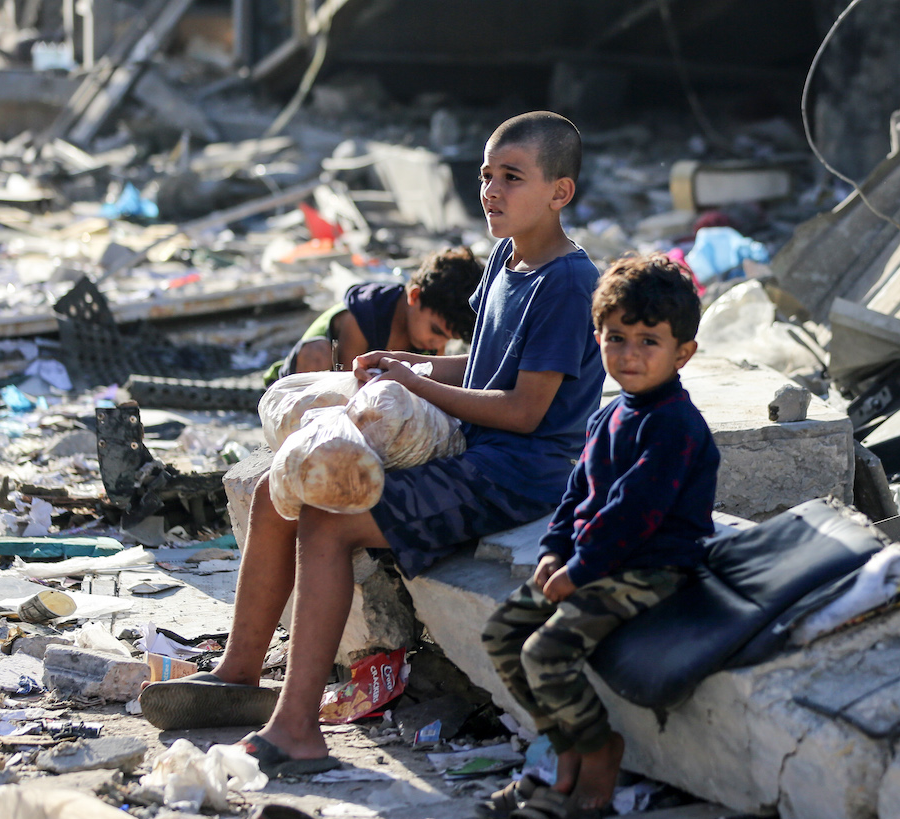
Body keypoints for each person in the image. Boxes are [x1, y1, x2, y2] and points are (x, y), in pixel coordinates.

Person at [139, 112, 605, 776]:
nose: (491, 192)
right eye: (485, 176)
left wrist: (418, 385)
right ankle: (238, 674)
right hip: (474, 446)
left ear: (560, 192)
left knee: (329, 522)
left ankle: (297, 730)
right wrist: (406, 363)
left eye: (512, 177)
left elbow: (525, 411)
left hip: (517, 473)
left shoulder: (566, 282)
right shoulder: (507, 258)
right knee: (279, 487)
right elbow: (483, 369)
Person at [478, 253, 719, 819]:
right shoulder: (607, 415)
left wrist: (580, 570)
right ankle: (560, 746)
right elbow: (577, 495)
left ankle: (598, 753)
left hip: (652, 567)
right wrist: (553, 551)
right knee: (503, 633)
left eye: (648, 342)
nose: (630, 354)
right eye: (616, 338)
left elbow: (636, 513)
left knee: (545, 653)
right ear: (598, 338)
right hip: (595, 560)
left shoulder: (674, 425)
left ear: (683, 352)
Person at [264, 247, 482, 383]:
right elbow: (347, 384)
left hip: (368, 393)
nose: (438, 343)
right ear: (414, 296)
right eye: (436, 330)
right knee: (317, 354)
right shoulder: (364, 316)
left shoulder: (430, 337)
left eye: (448, 338)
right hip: (311, 378)